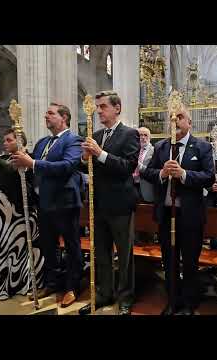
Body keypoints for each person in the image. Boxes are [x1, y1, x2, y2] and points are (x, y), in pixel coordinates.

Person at [142, 104, 213, 315]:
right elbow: (148, 173)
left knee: (190, 261)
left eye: (180, 117)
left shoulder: (202, 147)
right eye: (171, 118)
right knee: (169, 261)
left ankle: (189, 304)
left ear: (189, 123)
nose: (175, 121)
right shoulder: (162, 147)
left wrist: (183, 174)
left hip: (190, 216)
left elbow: (209, 177)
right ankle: (172, 300)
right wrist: (162, 174)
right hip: (166, 215)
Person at [11, 102, 83, 308]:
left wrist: (32, 163)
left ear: (64, 118)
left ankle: (72, 286)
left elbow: (67, 166)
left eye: (51, 113)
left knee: (71, 246)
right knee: (48, 247)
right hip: (44, 203)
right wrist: (21, 157)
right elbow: (33, 163)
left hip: (65, 203)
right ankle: (53, 282)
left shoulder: (73, 140)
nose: (46, 116)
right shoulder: (43, 142)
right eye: (46, 113)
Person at [78, 91, 140, 316]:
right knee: (101, 253)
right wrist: (84, 159)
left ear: (117, 108)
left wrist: (100, 153)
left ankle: (125, 298)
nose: (99, 111)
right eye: (98, 107)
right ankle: (104, 293)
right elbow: (86, 167)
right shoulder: (95, 134)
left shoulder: (129, 134)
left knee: (124, 255)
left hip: (121, 205)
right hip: (98, 205)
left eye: (103, 106)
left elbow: (128, 167)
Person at [0, 128, 44, 300]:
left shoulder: (25, 158)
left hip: (19, 215)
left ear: (20, 141)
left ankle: (20, 282)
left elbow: (10, 173)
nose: (5, 143)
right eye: (4, 140)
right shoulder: (4, 158)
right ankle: (3, 283)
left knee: (18, 252)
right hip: (2, 218)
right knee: (3, 250)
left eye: (9, 140)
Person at [133, 127, 155, 203]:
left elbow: (153, 171)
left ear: (150, 138)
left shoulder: (155, 151)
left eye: (145, 135)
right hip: (131, 186)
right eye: (140, 135)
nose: (142, 137)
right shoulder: (132, 150)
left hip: (146, 187)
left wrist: (137, 164)